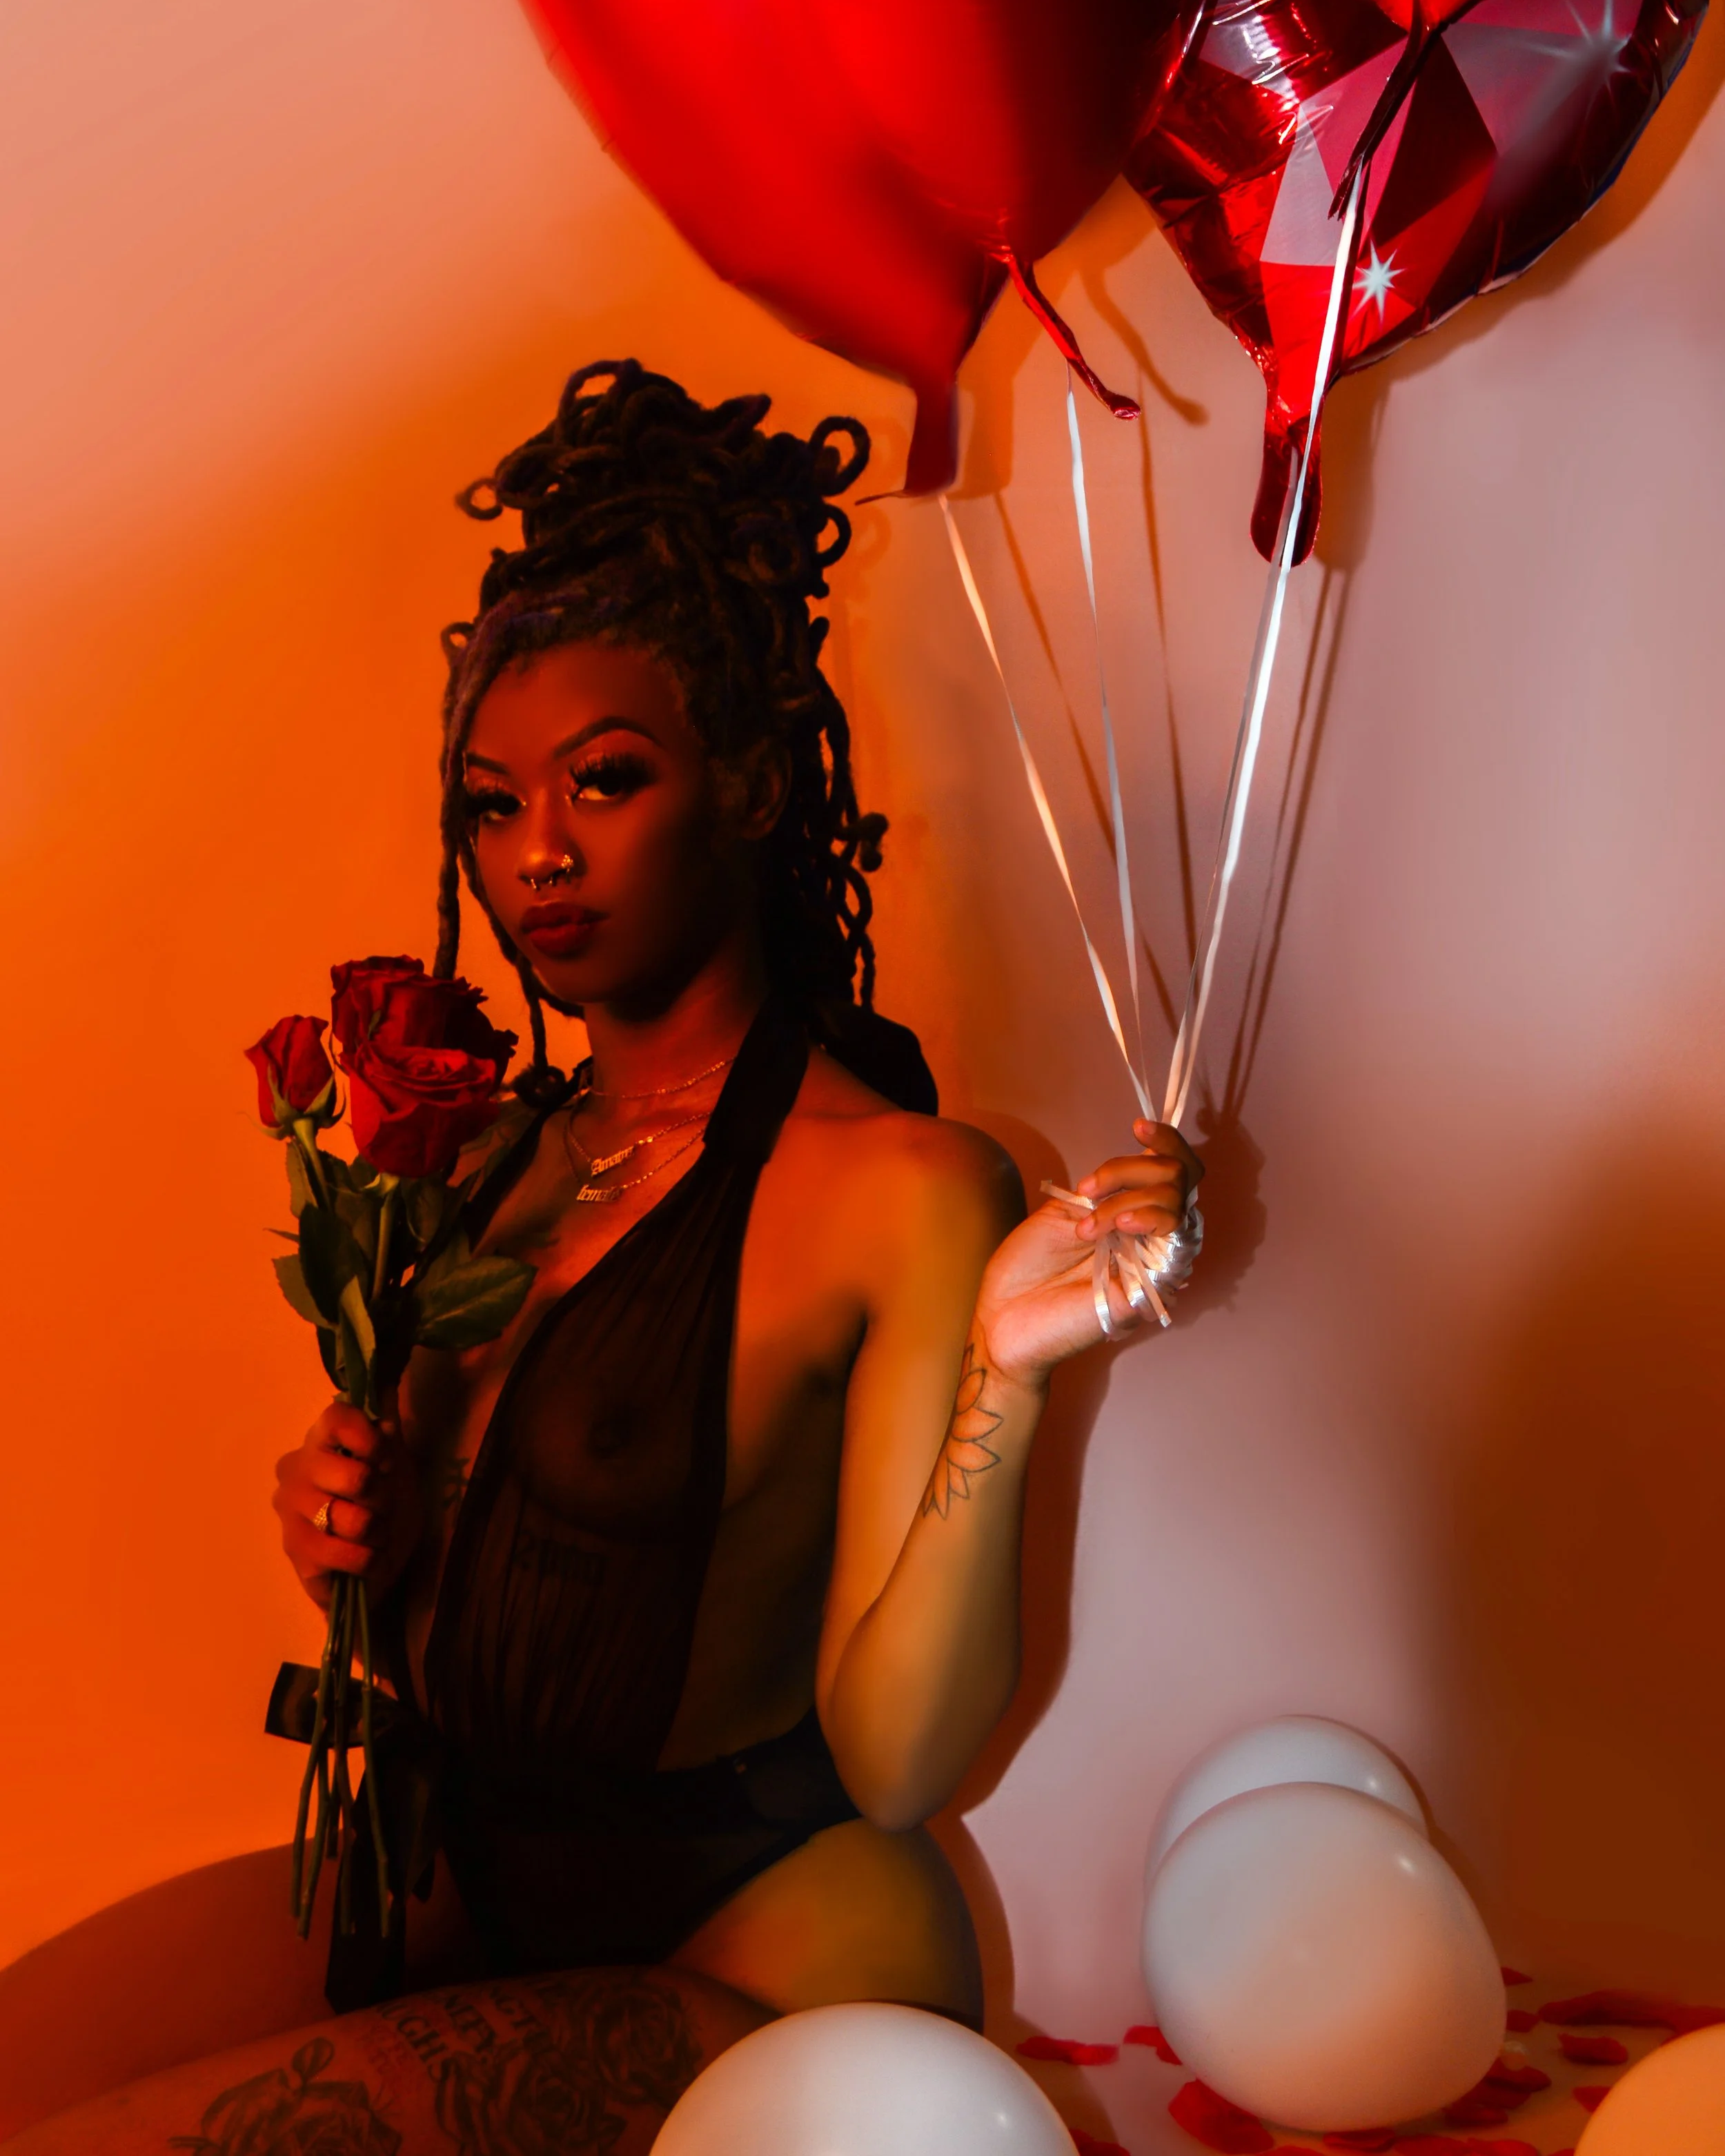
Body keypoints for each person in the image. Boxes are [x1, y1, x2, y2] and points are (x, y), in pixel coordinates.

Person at [0, 362, 1201, 2155]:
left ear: (749, 782)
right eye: (491, 808)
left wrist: (1005, 1382)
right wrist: (348, 1529)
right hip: (453, 1862)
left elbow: (899, 1765)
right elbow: (512, 1582)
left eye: (604, 782)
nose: (538, 855)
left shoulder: (894, 1185)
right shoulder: (490, 1158)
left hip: (764, 1935)